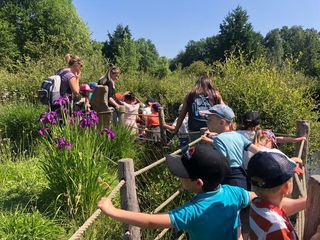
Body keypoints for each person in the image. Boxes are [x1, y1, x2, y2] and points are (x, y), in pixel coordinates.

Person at [98, 144, 254, 240]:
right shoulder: (234, 193)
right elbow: (255, 196)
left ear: (198, 182)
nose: (179, 176)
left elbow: (151, 222)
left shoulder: (194, 210)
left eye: (183, 174)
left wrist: (113, 211)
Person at [247, 151, 306, 239]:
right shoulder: (277, 226)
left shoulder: (256, 205)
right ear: (286, 187)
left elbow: (281, 207)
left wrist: (310, 201)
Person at [173, 76, 224, 141]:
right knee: (213, 149)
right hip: (212, 129)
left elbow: (181, 115)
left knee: (196, 149)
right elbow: (224, 111)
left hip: (194, 130)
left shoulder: (190, 95)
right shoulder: (215, 94)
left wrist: (175, 130)